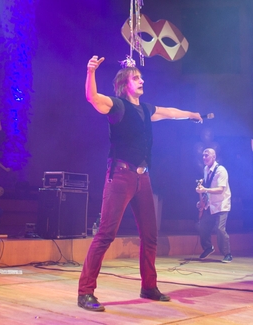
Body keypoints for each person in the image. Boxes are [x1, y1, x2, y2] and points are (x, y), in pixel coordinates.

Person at [78, 55, 203, 312]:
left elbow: (169, 112)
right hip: (120, 175)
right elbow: (93, 98)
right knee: (106, 234)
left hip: (143, 178)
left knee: (150, 234)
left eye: (141, 77)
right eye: (136, 78)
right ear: (125, 84)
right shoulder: (117, 106)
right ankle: (85, 292)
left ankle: (149, 287)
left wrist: (191, 114)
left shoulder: (145, 110)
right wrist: (90, 72)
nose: (142, 80)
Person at [196, 148, 232, 263]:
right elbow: (208, 187)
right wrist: (202, 200)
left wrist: (205, 189)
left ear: (214, 157)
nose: (204, 158)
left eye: (207, 155)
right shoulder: (206, 169)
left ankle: (227, 254)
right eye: (203, 155)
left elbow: (220, 189)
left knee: (220, 229)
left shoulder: (221, 170)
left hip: (221, 204)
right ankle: (208, 247)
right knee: (202, 226)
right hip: (210, 204)